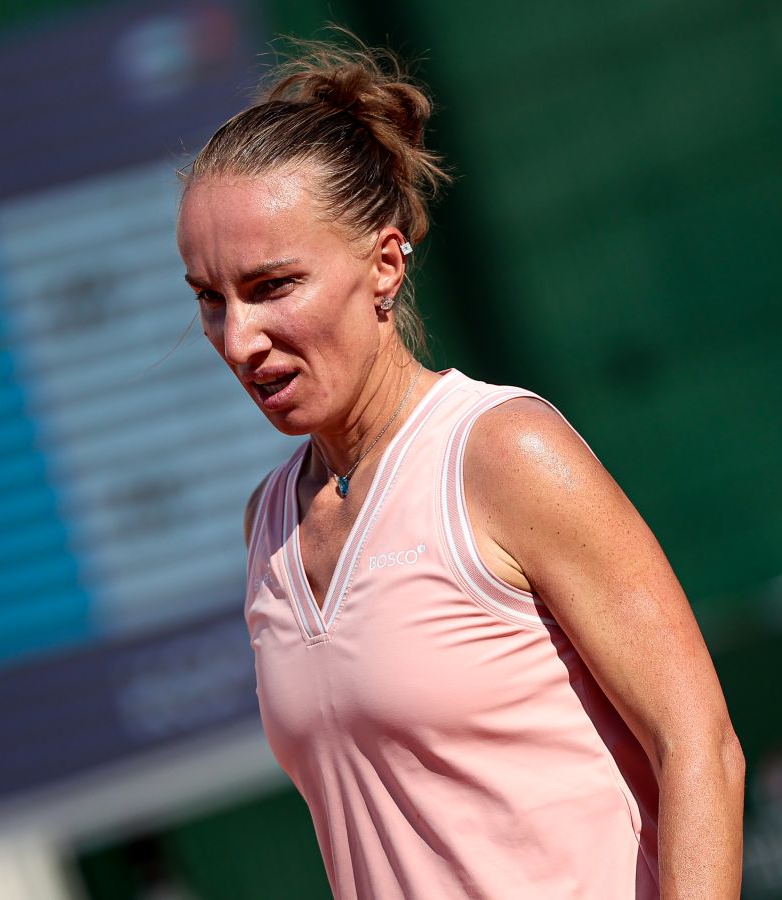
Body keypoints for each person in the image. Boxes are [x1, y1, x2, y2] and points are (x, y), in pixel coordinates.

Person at [175, 35, 744, 899]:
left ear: (384, 265)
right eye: (210, 299)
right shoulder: (267, 524)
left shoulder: (505, 453)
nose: (238, 339)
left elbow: (699, 745)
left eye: (272, 286)